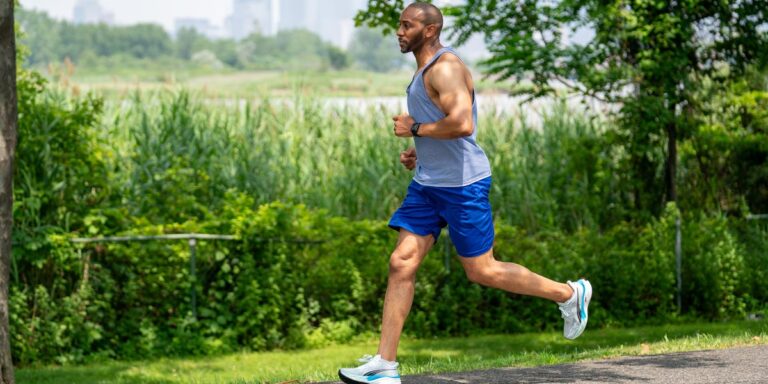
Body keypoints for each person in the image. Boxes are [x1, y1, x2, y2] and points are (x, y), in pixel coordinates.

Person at [338, 3, 592, 383]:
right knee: (401, 263)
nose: (399, 31)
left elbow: (461, 123)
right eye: (399, 24)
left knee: (482, 270)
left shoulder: (446, 67)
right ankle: (384, 366)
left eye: (407, 25)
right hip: (428, 185)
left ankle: (569, 294)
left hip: (462, 186)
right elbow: (443, 125)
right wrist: (419, 150)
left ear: (430, 30)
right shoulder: (424, 69)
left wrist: (416, 130)